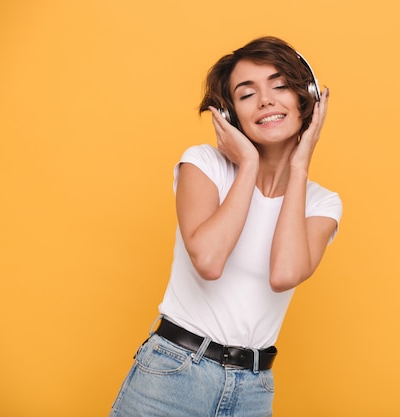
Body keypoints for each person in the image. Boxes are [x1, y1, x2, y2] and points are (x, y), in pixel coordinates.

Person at [109, 36, 342, 417]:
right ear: (230, 114)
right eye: (247, 94)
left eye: (280, 86)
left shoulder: (321, 202)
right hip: (171, 374)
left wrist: (299, 166)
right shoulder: (204, 165)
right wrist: (248, 166)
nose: (266, 100)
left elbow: (284, 274)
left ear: (308, 100)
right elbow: (209, 261)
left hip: (253, 388)